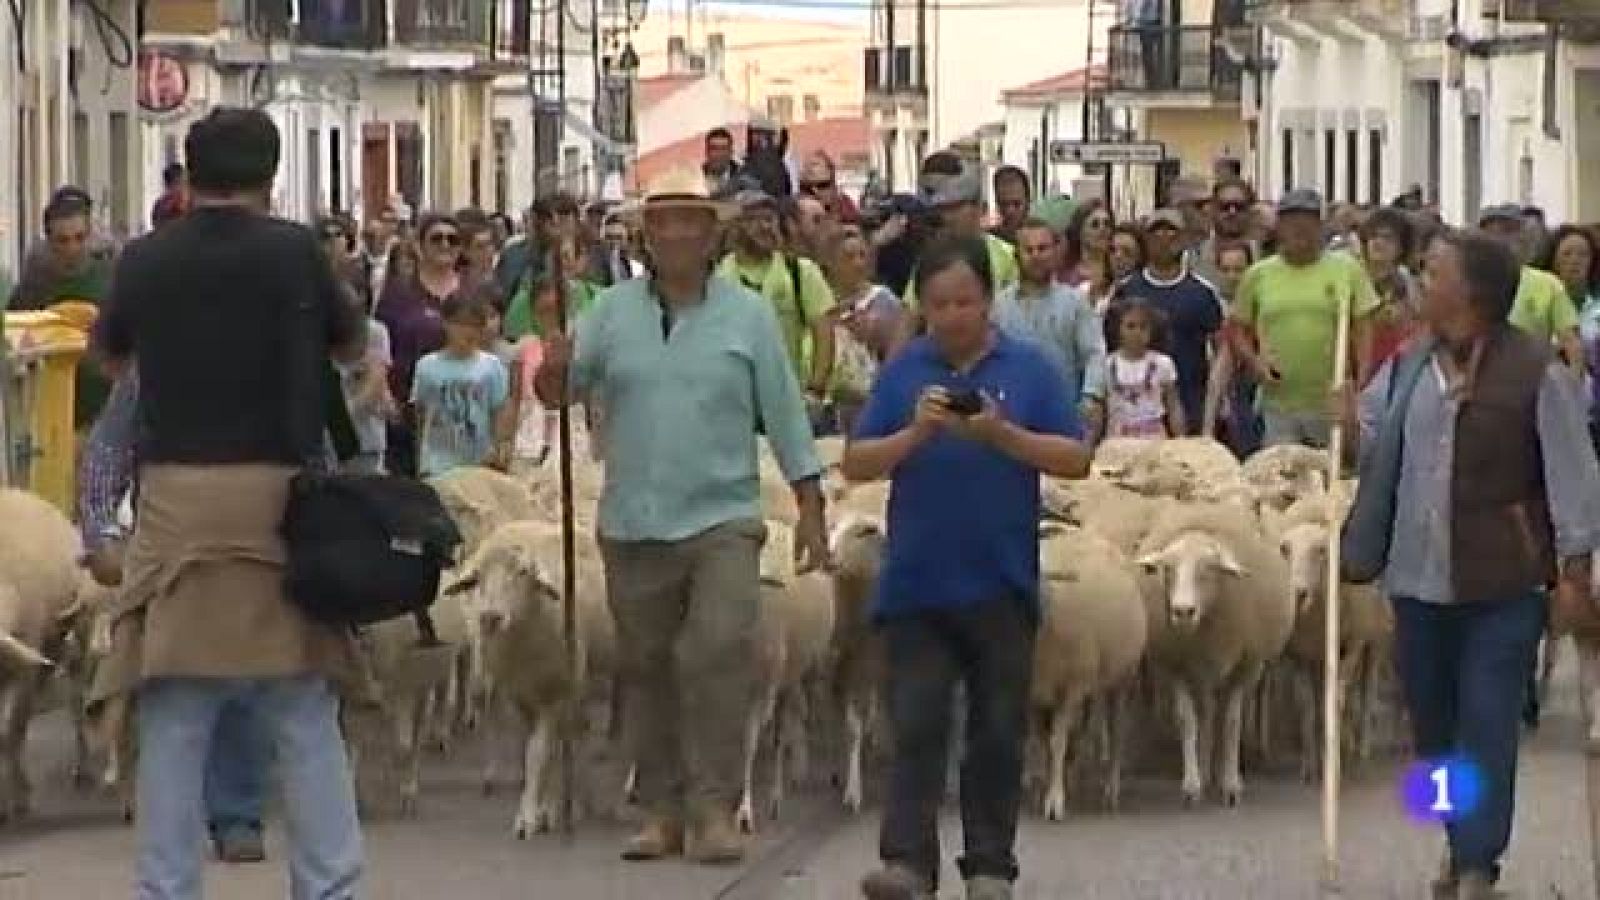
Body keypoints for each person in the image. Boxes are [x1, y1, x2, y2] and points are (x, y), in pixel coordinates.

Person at [89, 105, 365, 900]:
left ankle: (167, 889)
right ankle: (330, 887)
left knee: (175, 710)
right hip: (281, 501)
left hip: (175, 503)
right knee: (303, 705)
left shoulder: (144, 259)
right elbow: (349, 348)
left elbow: (112, 360)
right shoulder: (296, 254)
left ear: (190, 172)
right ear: (270, 177)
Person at [533, 166, 829, 866]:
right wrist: (556, 360)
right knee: (646, 666)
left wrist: (811, 503)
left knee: (718, 651)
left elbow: (784, 411)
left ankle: (714, 808)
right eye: (661, 221)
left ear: (711, 234)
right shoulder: (608, 312)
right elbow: (557, 394)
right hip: (634, 515)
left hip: (724, 513)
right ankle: (662, 810)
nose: (674, 234)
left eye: (689, 221)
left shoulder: (747, 316)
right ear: (643, 235)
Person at [1339, 228, 1600, 900]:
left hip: (1502, 582)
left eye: (1433, 273)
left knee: (1487, 721)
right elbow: (1372, 442)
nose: (1420, 282)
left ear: (1472, 293)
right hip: (1416, 578)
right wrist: (1346, 421)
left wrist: (1574, 573)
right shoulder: (1407, 362)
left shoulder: (1536, 370)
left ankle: (1480, 863)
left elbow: (1574, 476)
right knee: (1432, 728)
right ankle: (1456, 839)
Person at [844, 233, 1090, 900]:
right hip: (918, 580)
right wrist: (915, 433)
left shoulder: (1032, 369)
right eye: (939, 303)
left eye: (966, 301)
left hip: (1001, 578)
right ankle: (907, 862)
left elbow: (1075, 458)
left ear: (990, 300)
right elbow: (856, 460)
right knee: (917, 723)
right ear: (922, 306)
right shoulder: (904, 371)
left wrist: (1002, 435)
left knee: (996, 730)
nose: (953, 315)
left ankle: (989, 864)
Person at [77, 369, 274, 866]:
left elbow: (316, 448)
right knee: (168, 682)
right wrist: (101, 534)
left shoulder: (274, 351)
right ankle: (170, 819)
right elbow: (107, 450)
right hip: (167, 545)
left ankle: (237, 813)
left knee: (243, 678)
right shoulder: (154, 363)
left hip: (255, 542)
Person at [1228, 189, 1377, 448]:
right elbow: (1236, 328)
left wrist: (1360, 385)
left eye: (1308, 221)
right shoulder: (1259, 274)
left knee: (1333, 477)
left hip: (1331, 401)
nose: (1300, 229)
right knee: (1282, 478)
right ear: (1279, 227)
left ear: (1320, 226)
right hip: (1278, 404)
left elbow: (1365, 329)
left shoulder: (1347, 268)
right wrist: (1255, 362)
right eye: (1292, 221)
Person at [717, 189, 836, 404]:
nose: (765, 227)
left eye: (769, 219)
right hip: (733, 402)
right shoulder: (718, 278)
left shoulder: (800, 271)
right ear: (735, 227)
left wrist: (815, 389)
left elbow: (824, 331)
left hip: (788, 398)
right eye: (753, 220)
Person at [1114, 208, 1224, 433]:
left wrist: (1215, 407)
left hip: (1190, 405)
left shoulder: (1202, 293)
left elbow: (1220, 351)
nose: (1164, 238)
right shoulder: (1126, 290)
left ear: (1184, 239)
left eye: (1171, 231)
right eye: (1157, 232)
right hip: (1133, 413)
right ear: (1146, 240)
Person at [376, 212, 458, 476]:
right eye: (437, 239)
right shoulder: (398, 294)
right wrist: (386, 396)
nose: (445, 245)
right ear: (421, 246)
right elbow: (380, 346)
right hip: (407, 410)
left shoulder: (473, 291)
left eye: (452, 239)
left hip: (462, 408)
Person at [991, 218, 1103, 404]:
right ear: (1017, 255)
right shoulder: (998, 306)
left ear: (1054, 252)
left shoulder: (1075, 302)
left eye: (1042, 248)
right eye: (1028, 250)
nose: (1036, 255)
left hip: (1064, 410)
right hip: (1011, 411)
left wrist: (1091, 397)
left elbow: (1093, 354)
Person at [410, 289, 512, 477]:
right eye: (461, 323)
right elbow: (422, 417)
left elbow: (500, 414)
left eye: (475, 325)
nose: (468, 331)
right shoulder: (426, 366)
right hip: (437, 465)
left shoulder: (492, 366)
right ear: (446, 323)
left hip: (479, 463)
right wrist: (420, 462)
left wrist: (500, 452)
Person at [1478, 203, 1584, 373]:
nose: (1499, 239)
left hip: (1533, 383)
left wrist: (1573, 387)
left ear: (1522, 236)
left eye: (1507, 230)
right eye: (1491, 232)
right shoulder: (1469, 279)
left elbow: (1571, 342)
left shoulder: (1547, 284)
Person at [1084, 298, 1183, 442]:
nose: (1137, 332)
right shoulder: (1106, 365)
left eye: (1143, 327)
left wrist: (1181, 440)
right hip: (1117, 442)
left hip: (1154, 440)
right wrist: (1089, 444)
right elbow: (1098, 412)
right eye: (1130, 326)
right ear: (1118, 329)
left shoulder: (1163, 363)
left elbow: (1174, 406)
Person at [989, 166, 1031, 245]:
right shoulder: (988, 242)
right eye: (1003, 204)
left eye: (1016, 204)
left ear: (1027, 202)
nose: (1009, 211)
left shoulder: (1047, 240)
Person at [150, 163, 189, 229]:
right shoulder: (162, 207)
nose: (185, 186)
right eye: (181, 182)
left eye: (185, 182)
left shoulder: (189, 203)